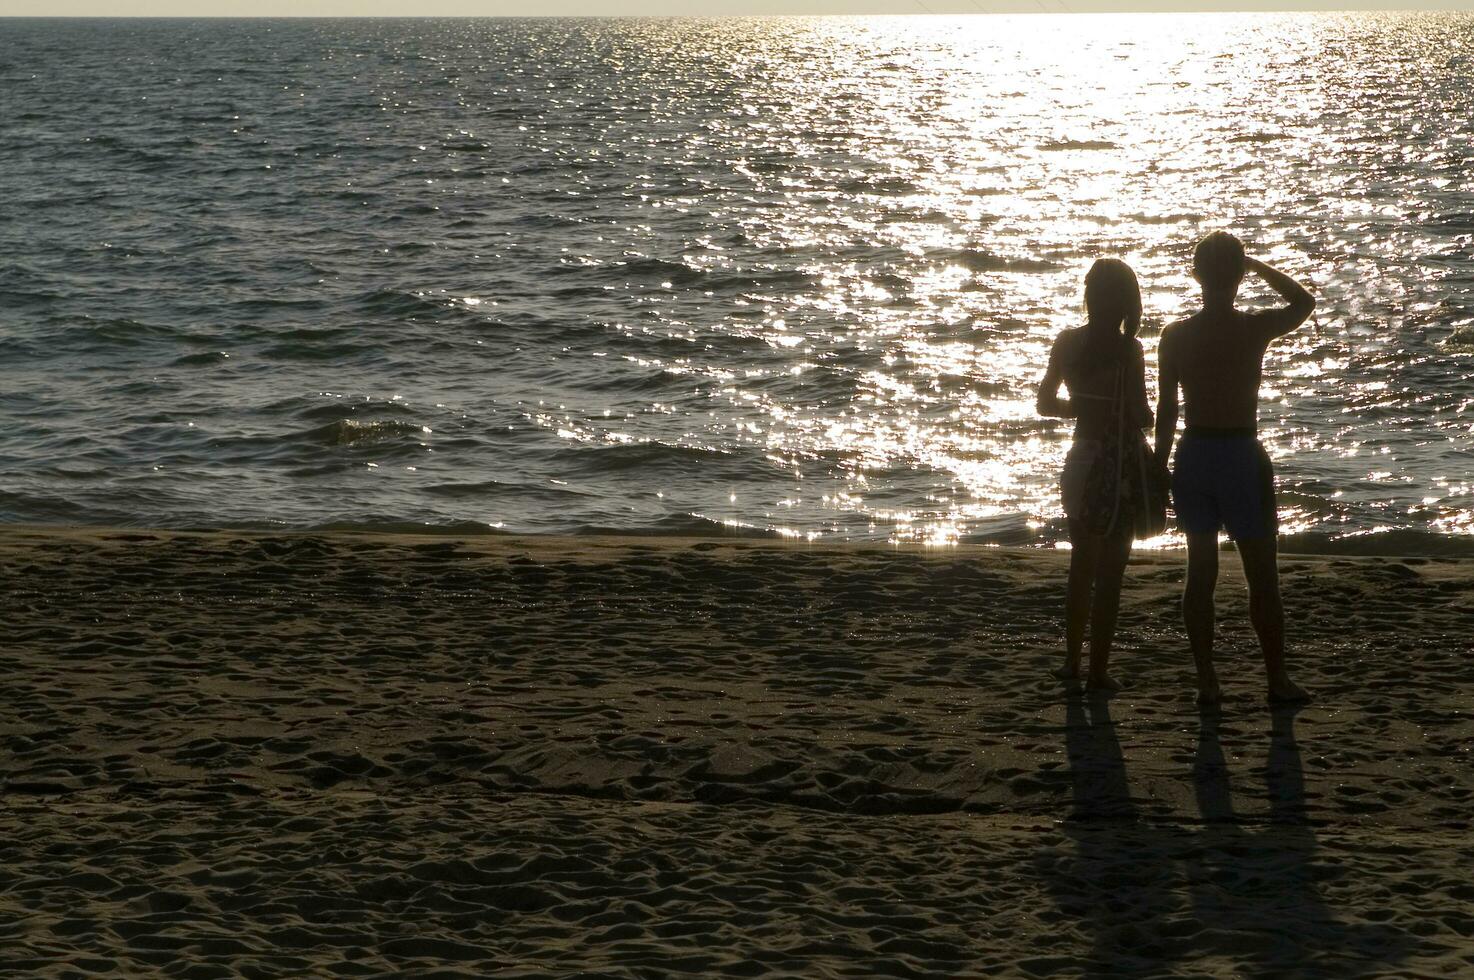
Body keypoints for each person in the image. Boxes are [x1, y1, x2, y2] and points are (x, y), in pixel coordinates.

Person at [1154, 232, 1315, 705]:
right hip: (1240, 454)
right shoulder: (1252, 328)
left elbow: (1166, 412)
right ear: (1239, 276)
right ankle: (1276, 681)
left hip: (1195, 454)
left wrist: (1159, 466)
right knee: (1262, 577)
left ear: (1196, 273)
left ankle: (1208, 682)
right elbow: (1304, 301)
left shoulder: (1175, 335)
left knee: (1199, 574)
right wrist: (1258, 265)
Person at [1038, 258, 1153, 695]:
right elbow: (1141, 414)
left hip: (1080, 459)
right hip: (1116, 464)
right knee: (1111, 573)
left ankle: (1070, 661)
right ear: (1126, 302)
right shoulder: (1129, 350)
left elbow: (1046, 402)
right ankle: (1098, 670)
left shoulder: (1067, 342)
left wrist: (1080, 407)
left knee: (1080, 566)